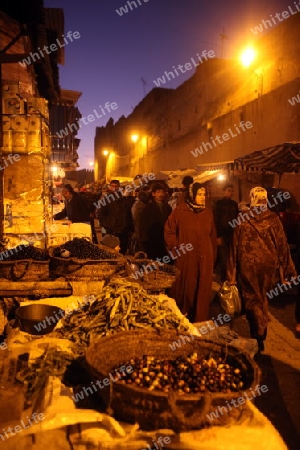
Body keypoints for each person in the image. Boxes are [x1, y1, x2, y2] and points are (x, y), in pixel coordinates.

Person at [227, 187, 297, 352]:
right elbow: (282, 246)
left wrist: (231, 274)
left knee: (252, 299)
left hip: (247, 267)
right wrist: (288, 271)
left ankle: (257, 334)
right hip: (267, 267)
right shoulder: (273, 218)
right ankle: (260, 334)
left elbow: (234, 247)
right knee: (262, 299)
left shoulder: (242, 218)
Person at [164, 183, 217, 323]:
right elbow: (169, 231)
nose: (202, 197)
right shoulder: (180, 211)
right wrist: (176, 250)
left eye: (204, 194)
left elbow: (212, 236)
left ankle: (199, 321)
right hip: (186, 258)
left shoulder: (208, 213)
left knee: (202, 290)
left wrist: (212, 255)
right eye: (199, 194)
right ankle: (183, 321)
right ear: (191, 195)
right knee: (186, 289)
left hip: (205, 259)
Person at [97, 179, 133, 254]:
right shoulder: (106, 199)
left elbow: (128, 213)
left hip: (123, 230)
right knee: (112, 251)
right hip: (111, 230)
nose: (114, 188)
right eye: (112, 186)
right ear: (109, 187)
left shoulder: (123, 198)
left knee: (122, 250)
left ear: (119, 187)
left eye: (116, 186)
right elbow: (100, 214)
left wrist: (128, 226)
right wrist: (107, 225)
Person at [213, 184, 239, 282]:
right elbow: (216, 220)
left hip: (231, 235)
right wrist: (218, 236)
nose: (230, 193)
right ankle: (224, 281)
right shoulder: (218, 204)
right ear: (223, 191)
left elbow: (236, 219)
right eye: (229, 190)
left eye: (232, 191)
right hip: (222, 235)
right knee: (223, 260)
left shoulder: (234, 204)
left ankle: (229, 279)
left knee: (231, 259)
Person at [139, 183, 172, 260]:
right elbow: (143, 225)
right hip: (152, 240)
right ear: (153, 194)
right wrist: (144, 241)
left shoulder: (168, 208)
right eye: (158, 192)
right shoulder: (147, 208)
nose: (161, 194)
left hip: (164, 240)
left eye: (162, 192)